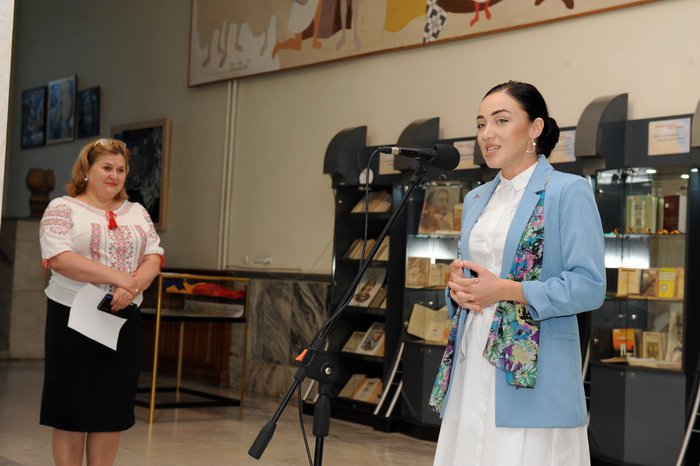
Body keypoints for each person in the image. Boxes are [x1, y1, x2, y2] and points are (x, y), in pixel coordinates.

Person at [431, 81, 605, 465]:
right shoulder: (477, 198)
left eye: (501, 120)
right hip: (472, 356)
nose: (486, 133)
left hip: (533, 370)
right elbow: (473, 275)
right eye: (480, 124)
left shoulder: (567, 191)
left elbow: (589, 286)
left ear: (535, 128)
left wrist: (507, 290)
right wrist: (458, 288)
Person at [39, 138, 164, 466]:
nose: (114, 175)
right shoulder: (63, 208)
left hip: (122, 319)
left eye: (121, 169)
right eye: (106, 167)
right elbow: (59, 258)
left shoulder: (136, 211)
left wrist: (132, 286)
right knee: (71, 408)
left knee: (111, 409)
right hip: (72, 318)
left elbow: (154, 257)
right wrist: (120, 277)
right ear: (86, 171)